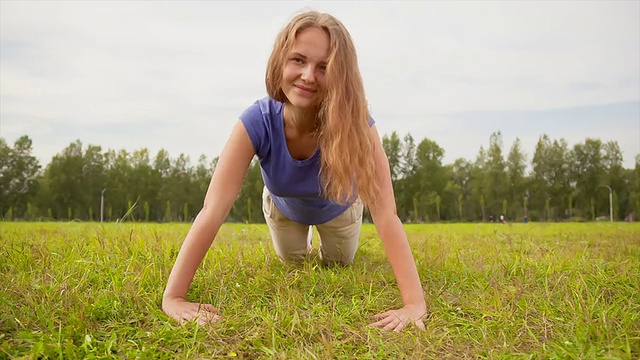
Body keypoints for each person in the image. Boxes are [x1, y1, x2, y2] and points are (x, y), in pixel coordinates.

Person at [162, 10, 427, 332]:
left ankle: (335, 239)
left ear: (342, 76)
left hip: (339, 208)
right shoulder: (256, 121)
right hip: (284, 207)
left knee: (338, 263)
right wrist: (173, 297)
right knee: (294, 262)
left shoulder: (359, 125)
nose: (308, 76)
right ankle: (297, 236)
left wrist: (414, 304)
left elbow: (386, 213)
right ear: (280, 62)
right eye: (298, 60)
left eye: (324, 67)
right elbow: (213, 209)